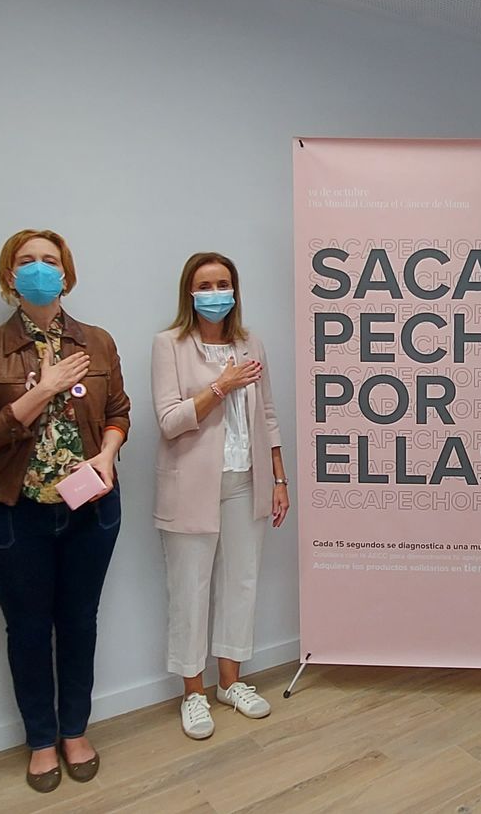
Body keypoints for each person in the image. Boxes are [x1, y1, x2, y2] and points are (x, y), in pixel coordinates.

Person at [0, 229, 130, 793]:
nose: (38, 269)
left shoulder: (96, 342)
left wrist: (107, 452)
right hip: (14, 514)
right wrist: (41, 390)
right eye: (26, 261)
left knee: (79, 623)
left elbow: (119, 411)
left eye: (48, 261)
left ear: (66, 273)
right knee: (28, 630)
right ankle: (39, 739)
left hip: (91, 508)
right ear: (10, 277)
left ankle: (74, 731)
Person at [151, 251, 288, 741]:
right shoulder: (170, 344)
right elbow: (169, 421)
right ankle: (193, 691)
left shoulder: (251, 343)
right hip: (191, 485)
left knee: (241, 581)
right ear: (190, 292)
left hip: (245, 481)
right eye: (205, 284)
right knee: (190, 589)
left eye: (223, 283)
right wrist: (220, 386)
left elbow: (268, 413)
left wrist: (278, 477)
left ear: (235, 289)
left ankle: (231, 681)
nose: (215, 293)